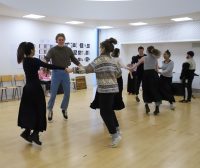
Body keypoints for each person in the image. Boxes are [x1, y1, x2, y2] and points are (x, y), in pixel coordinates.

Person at [67, 38, 122, 147]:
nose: (99, 49)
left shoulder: (99, 59)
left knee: (104, 112)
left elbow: (86, 69)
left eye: (100, 47)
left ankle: (115, 136)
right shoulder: (113, 60)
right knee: (109, 110)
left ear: (103, 48)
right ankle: (117, 129)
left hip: (105, 90)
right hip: (113, 89)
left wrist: (72, 70)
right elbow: (119, 73)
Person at [17, 42, 67, 145]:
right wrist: (64, 68)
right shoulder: (34, 60)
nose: (34, 50)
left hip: (27, 89)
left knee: (30, 110)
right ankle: (35, 134)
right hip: (35, 88)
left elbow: (46, 66)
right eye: (34, 48)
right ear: (31, 50)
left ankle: (27, 132)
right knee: (40, 110)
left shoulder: (25, 61)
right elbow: (49, 66)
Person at [45, 33, 81, 121]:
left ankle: (64, 108)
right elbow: (47, 58)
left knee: (67, 93)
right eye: (59, 39)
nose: (61, 41)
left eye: (62, 39)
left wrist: (80, 65)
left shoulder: (68, 49)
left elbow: (74, 59)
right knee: (53, 94)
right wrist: (44, 66)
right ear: (56, 40)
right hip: (56, 73)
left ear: (64, 40)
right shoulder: (52, 50)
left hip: (65, 72)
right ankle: (50, 109)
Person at [129, 46, 161, 115]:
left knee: (146, 90)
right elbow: (157, 69)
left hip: (146, 76)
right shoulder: (155, 58)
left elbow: (136, 65)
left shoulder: (144, 58)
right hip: (154, 75)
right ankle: (157, 108)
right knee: (155, 91)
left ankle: (146, 105)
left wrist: (130, 68)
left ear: (146, 51)